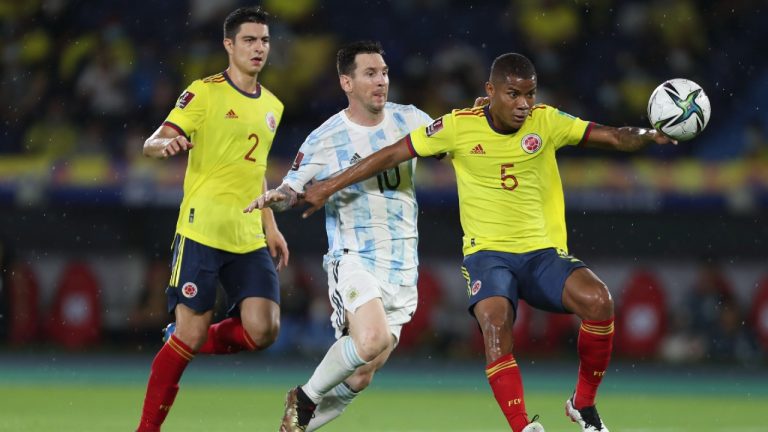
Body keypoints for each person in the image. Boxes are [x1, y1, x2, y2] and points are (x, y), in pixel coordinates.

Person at [299, 53, 677, 432]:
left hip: (542, 254)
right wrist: (328, 186)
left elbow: (613, 135)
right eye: (513, 94)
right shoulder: (458, 127)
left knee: (600, 302)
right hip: (487, 256)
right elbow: (392, 153)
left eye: (529, 94)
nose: (524, 104)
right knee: (496, 327)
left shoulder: (546, 121)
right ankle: (521, 426)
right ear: (490, 92)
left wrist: (650, 134)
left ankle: (584, 404)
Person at [245, 40, 433, 432]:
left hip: (401, 264)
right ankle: (305, 397)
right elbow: (292, 188)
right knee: (370, 339)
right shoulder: (325, 138)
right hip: (354, 257)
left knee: (362, 373)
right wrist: (278, 198)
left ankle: (295, 427)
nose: (381, 81)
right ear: (346, 82)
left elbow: (454, 146)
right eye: (369, 73)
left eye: (383, 72)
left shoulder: (411, 119)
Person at [136, 7, 289, 431]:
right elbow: (154, 139)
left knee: (265, 329)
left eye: (264, 41)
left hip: (247, 234)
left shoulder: (273, 105)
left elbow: (256, 169)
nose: (259, 49)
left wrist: (271, 226)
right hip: (202, 230)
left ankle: (185, 340)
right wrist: (161, 147)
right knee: (192, 332)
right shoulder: (203, 93)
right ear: (229, 45)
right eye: (249, 41)